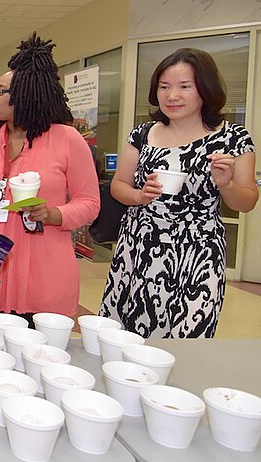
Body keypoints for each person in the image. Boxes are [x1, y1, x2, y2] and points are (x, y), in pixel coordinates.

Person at [100, 48, 257, 338]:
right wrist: (139, 196)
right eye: (164, 87)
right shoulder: (143, 134)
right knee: (126, 337)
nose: (172, 96)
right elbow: (119, 185)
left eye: (185, 86)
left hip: (197, 251)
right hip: (139, 248)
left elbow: (246, 201)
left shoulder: (232, 138)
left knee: (188, 338)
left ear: (204, 89)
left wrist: (226, 184)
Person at [0, 33, 100, 327]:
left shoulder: (67, 139)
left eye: (1, 91)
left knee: (42, 358)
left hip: (45, 271)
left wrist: (54, 213)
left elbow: (90, 203)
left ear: (28, 94)